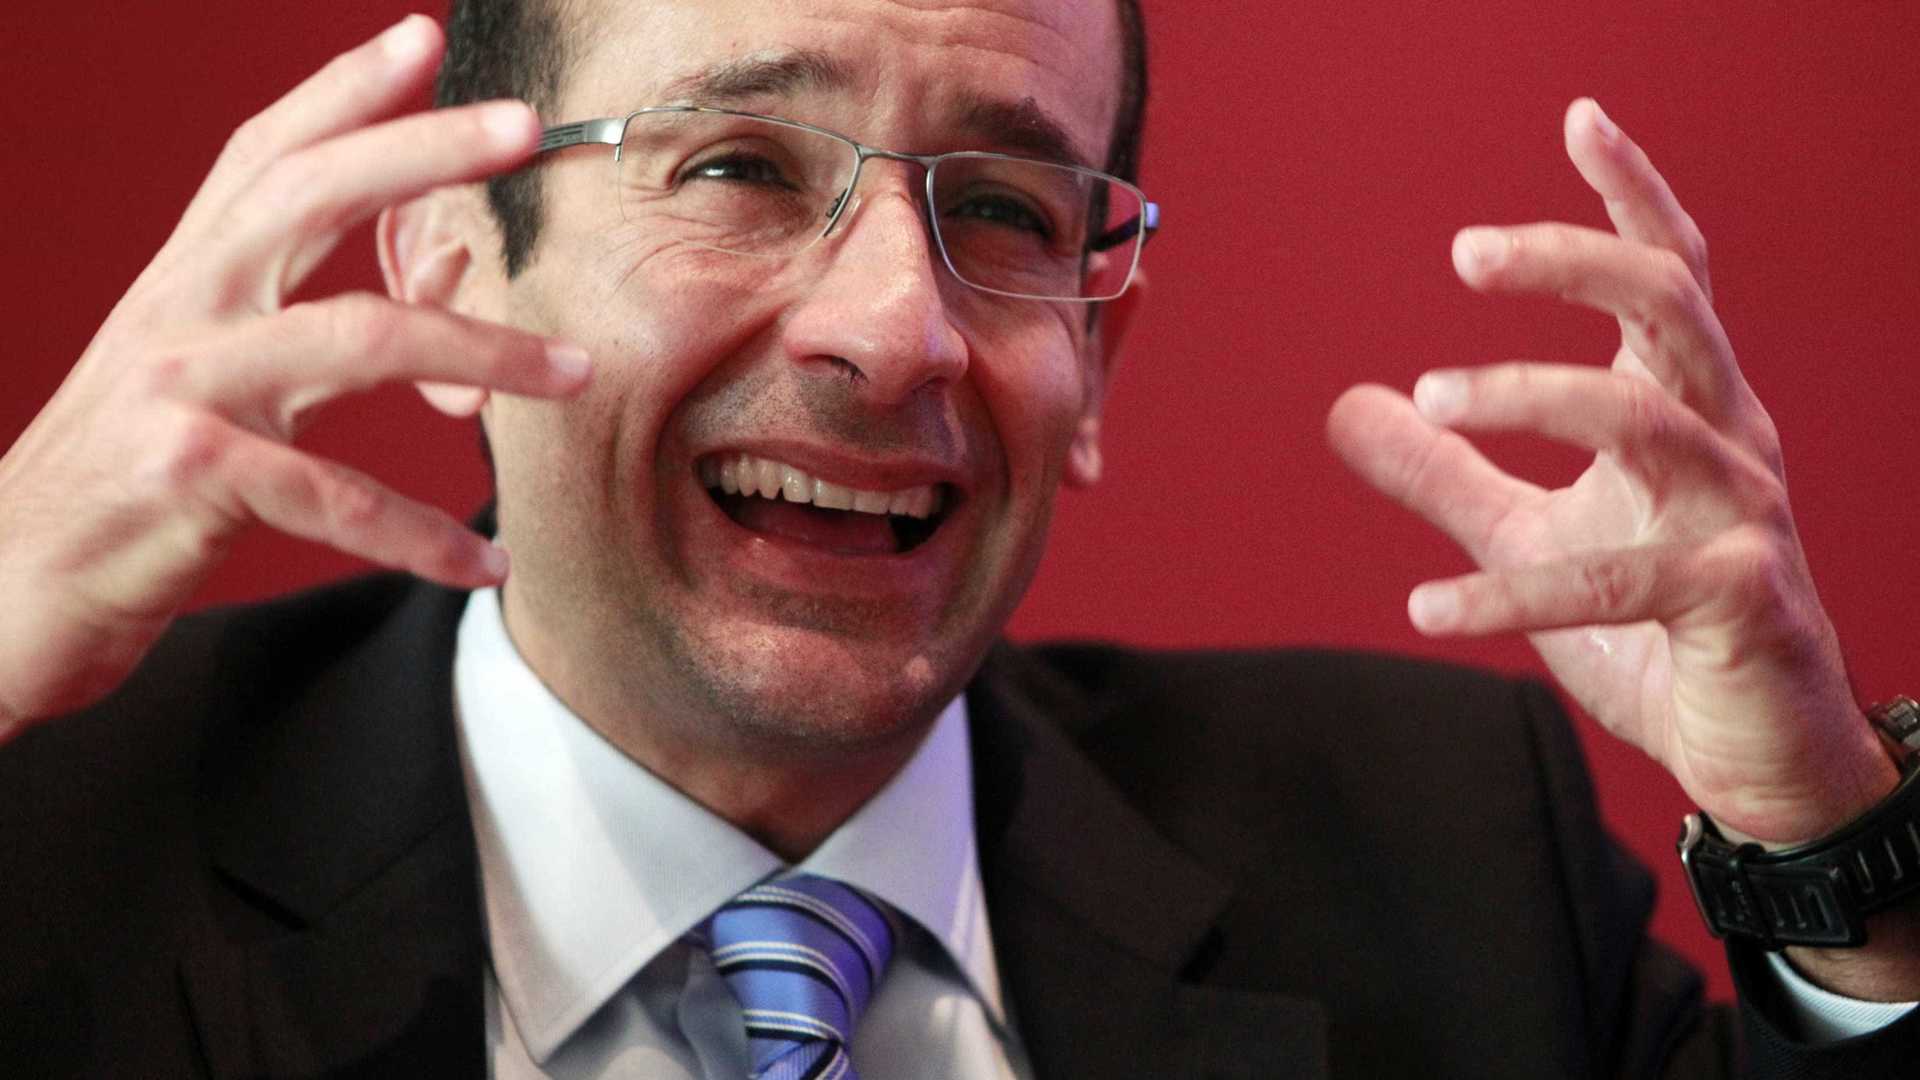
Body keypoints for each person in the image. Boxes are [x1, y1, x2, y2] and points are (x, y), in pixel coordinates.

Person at [1, 1, 1916, 1076]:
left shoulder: (1441, 857)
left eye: (1001, 209)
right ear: (443, 265)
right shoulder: (51, 848)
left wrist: (1826, 831)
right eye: (739, 166)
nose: (900, 328)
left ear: (1095, 359)